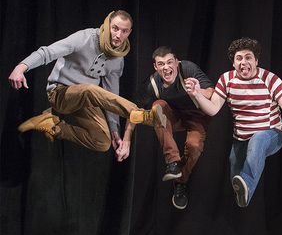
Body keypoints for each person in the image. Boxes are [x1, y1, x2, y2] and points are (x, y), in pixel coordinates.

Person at [9, 11, 166, 152]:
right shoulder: (85, 38)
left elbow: (111, 92)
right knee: (90, 89)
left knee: (102, 142)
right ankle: (142, 115)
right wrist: (22, 67)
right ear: (108, 25)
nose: (118, 35)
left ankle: (52, 124)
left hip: (85, 98)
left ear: (129, 32)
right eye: (115, 28)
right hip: (60, 92)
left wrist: (114, 129)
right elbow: (48, 52)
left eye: (124, 31)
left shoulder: (118, 59)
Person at [186, 37, 282, 207]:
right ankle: (244, 195)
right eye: (239, 58)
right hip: (241, 138)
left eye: (248, 57)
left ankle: (247, 182)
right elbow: (213, 109)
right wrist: (197, 95)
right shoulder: (226, 80)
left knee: (257, 140)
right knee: (237, 179)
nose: (243, 62)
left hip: (271, 133)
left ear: (256, 61)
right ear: (233, 63)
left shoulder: (270, 79)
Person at [115, 46, 215, 210]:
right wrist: (126, 141)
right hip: (175, 116)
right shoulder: (152, 83)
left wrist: (198, 92)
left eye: (169, 62)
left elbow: (211, 92)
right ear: (155, 67)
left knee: (194, 146)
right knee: (157, 107)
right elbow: (133, 110)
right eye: (161, 64)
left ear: (176, 62)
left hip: (197, 116)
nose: (166, 67)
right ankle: (172, 162)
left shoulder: (187, 69)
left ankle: (180, 181)